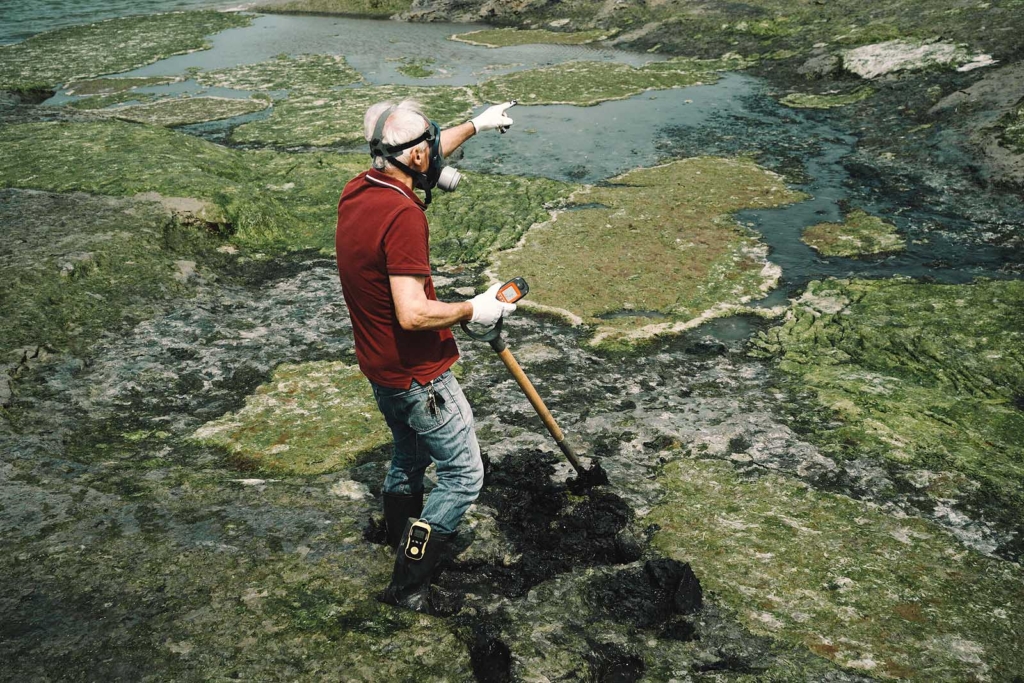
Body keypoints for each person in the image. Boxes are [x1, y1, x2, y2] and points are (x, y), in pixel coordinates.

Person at [335, 99, 518, 614]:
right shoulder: (403, 215)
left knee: (409, 455)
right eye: (430, 148)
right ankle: (409, 582)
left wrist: (478, 125)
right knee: (464, 476)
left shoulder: (360, 190)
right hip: (420, 377)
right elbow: (413, 314)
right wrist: (471, 310)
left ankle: (396, 533)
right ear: (415, 158)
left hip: (380, 368)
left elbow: (422, 150)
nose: (437, 153)